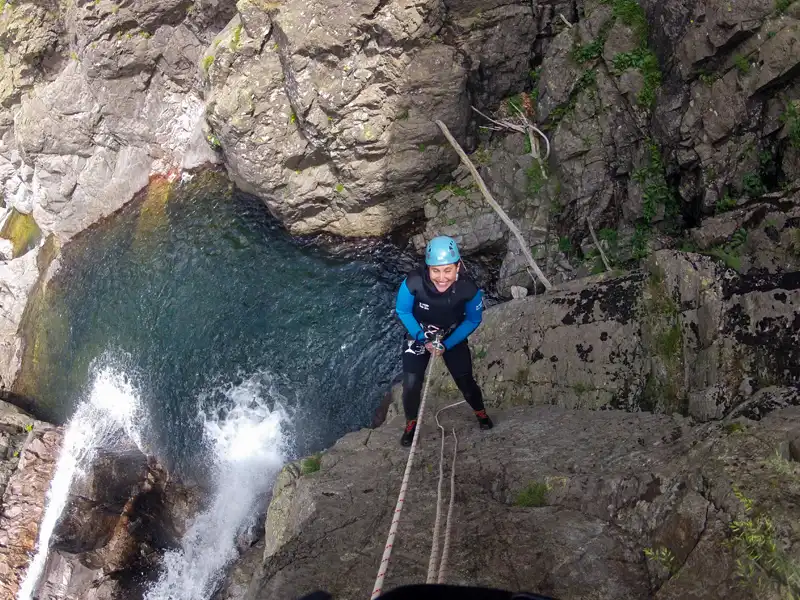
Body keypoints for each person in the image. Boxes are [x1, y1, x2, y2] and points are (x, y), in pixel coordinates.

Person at [394, 235, 493, 447]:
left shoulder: (468, 289)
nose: (441, 278)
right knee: (410, 385)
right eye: (435, 270)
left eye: (448, 270)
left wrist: (447, 344)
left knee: (466, 381)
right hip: (420, 333)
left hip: (450, 335)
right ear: (428, 268)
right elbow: (403, 311)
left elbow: (473, 320)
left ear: (458, 267)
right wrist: (422, 338)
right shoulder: (413, 283)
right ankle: (411, 424)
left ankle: (481, 412)